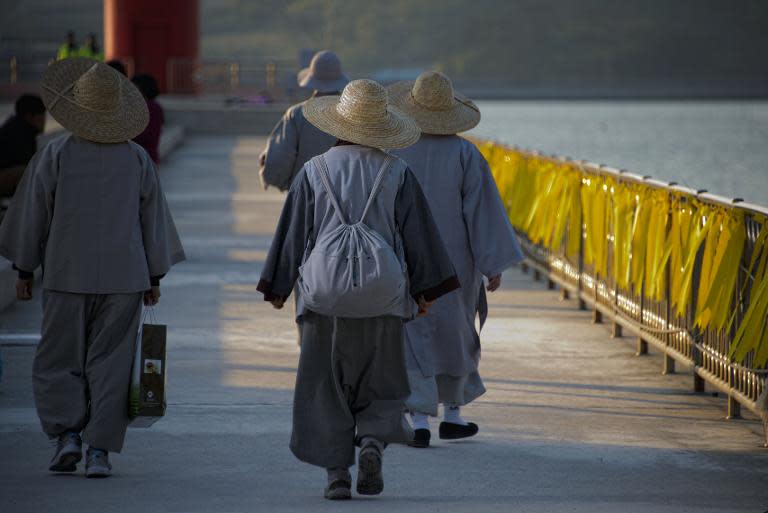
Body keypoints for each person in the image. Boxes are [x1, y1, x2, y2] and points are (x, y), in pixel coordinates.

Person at [257, 79, 459, 500]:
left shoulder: (314, 171)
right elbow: (419, 237)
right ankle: (371, 441)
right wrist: (426, 293)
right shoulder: (397, 172)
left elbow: (293, 233)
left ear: (338, 124)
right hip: (381, 299)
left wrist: (277, 286)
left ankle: (336, 474)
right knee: (383, 383)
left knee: (324, 385)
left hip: (323, 299)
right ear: (383, 127)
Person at [0, 58, 185, 478]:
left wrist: (24, 270)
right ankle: (99, 450)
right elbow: (151, 220)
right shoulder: (136, 159)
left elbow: (32, 215)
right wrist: (154, 276)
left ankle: (66, 436)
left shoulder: (56, 154)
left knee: (59, 358)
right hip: (125, 277)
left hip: (66, 274)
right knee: (112, 362)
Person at [388, 71, 524, 448]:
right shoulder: (466, 154)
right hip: (455, 265)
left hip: (405, 260)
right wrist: (491, 264)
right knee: (455, 331)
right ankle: (453, 414)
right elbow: (482, 213)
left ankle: (416, 419)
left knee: (412, 331)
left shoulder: (394, 152)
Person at [259, 50, 348, 191]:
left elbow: (278, 159)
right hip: (345, 198)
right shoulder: (354, 115)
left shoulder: (296, 114)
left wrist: (272, 177)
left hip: (305, 196)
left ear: (312, 80)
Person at [0, 94, 46, 197]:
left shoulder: (17, 127)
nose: (44, 120)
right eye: (41, 115)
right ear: (29, 117)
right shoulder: (19, 133)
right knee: (29, 172)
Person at [132, 74, 164, 164]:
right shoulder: (154, 107)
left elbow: (147, 136)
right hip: (148, 155)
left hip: (144, 156)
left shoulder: (150, 108)